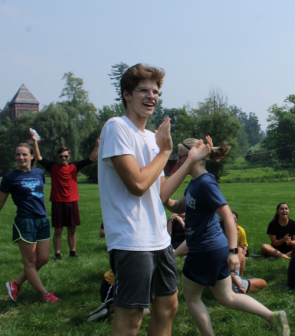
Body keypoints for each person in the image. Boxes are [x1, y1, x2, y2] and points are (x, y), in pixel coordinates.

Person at [160, 136, 290, 336]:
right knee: (227, 296)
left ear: (191, 156)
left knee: (192, 297)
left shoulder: (205, 183)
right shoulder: (194, 182)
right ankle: (272, 317)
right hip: (211, 249)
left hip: (206, 250)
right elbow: (179, 205)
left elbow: (228, 217)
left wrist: (233, 251)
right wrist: (163, 197)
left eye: (180, 155)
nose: (178, 160)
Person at [97, 63, 177, 336]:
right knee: (131, 317)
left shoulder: (153, 140)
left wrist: (190, 161)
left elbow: (160, 193)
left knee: (168, 308)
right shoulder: (116, 127)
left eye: (155, 91)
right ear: (126, 95)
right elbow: (138, 185)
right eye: (143, 90)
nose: (151, 96)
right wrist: (165, 153)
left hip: (159, 238)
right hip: (131, 239)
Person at [1, 142, 61, 303]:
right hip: (25, 221)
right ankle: (44, 294)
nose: (21, 157)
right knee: (30, 262)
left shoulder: (38, 173)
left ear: (32, 156)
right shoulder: (9, 178)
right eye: (18, 154)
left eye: (24, 154)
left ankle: (15, 284)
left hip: (42, 220)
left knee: (43, 259)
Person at [30, 130, 100, 259]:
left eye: (66, 156)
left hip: (72, 202)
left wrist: (97, 145)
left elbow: (91, 159)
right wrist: (35, 141)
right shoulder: (53, 167)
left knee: (72, 229)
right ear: (58, 157)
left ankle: (72, 252)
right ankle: (57, 254)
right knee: (58, 230)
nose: (64, 158)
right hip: (58, 202)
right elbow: (39, 157)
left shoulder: (74, 166)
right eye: (61, 156)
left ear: (69, 156)